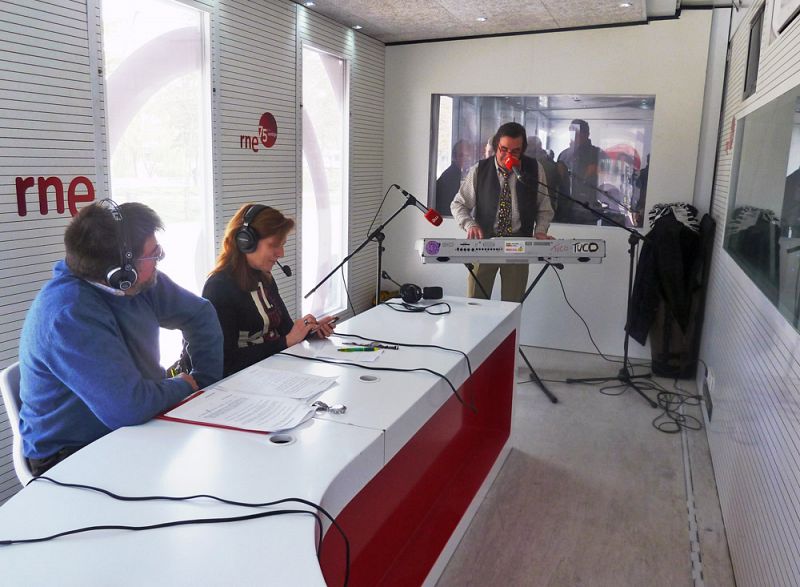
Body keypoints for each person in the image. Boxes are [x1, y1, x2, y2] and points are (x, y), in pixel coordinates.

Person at [18, 200, 223, 476]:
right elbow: (128, 407)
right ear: (120, 273)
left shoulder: (141, 280)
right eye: (154, 254)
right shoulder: (67, 314)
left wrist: (205, 388)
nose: (159, 260)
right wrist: (185, 385)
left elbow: (200, 315)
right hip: (71, 455)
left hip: (136, 425)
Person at [202, 204, 336, 377]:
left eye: (282, 244)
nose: (281, 253)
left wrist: (309, 332)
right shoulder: (219, 287)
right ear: (245, 242)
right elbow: (225, 361)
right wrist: (286, 342)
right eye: (274, 245)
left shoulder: (264, 277)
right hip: (240, 383)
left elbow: (286, 331)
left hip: (272, 373)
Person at [451, 122, 555, 302]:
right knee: (476, 305)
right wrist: (470, 224)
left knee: (512, 307)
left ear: (522, 150)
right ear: (496, 146)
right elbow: (458, 204)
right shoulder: (479, 170)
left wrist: (540, 231)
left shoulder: (534, 170)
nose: (508, 155)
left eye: (515, 151)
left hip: (519, 247)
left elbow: (545, 207)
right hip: (484, 246)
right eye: (503, 149)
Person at [556, 119, 604, 224]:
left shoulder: (597, 154)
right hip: (565, 210)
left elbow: (606, 182)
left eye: (578, 133)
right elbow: (558, 182)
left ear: (587, 134)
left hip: (588, 211)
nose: (574, 136)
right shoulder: (564, 155)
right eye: (572, 132)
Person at [435, 140, 474, 215]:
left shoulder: (464, 174)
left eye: (468, 156)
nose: (466, 159)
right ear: (454, 157)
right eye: (462, 155)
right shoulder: (450, 176)